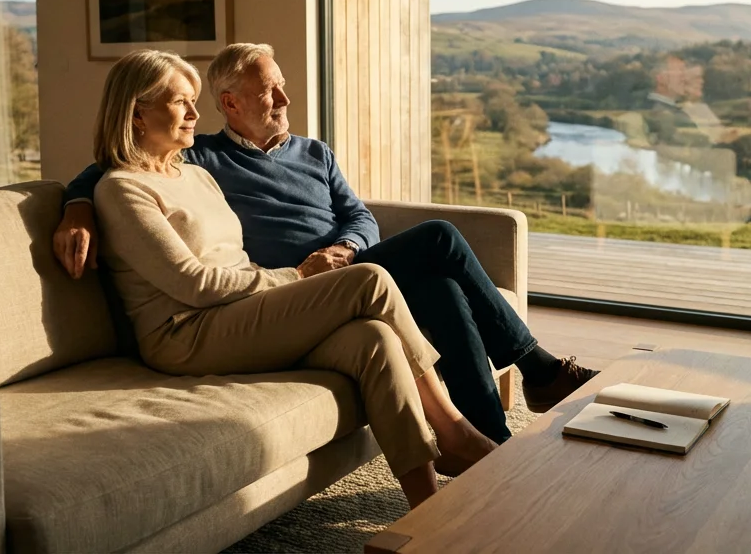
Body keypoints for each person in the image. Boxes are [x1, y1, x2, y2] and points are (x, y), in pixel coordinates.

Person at [54, 43, 598, 444]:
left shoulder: (315, 153)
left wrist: (350, 247)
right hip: (289, 291)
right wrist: (77, 205)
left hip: (345, 267)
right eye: (270, 90)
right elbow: (117, 163)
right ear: (232, 102)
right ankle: (535, 371)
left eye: (282, 84)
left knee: (439, 284)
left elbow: (359, 216)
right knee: (439, 243)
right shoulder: (200, 157)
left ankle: (494, 438)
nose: (285, 98)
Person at [86, 49, 495, 508]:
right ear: (138, 115)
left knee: (373, 338)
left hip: (238, 311)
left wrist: (286, 280)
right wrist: (297, 276)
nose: (197, 114)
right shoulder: (123, 189)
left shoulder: (196, 174)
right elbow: (194, 285)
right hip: (185, 334)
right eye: (181, 102)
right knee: (369, 280)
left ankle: (427, 509)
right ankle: (455, 430)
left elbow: (237, 262)